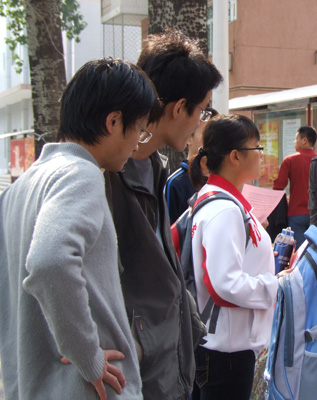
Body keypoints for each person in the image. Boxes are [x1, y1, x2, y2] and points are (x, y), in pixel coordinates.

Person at [0, 58, 157, 400]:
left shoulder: (18, 189)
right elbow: (49, 262)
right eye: (139, 129)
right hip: (82, 389)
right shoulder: (80, 173)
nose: (138, 144)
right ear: (113, 121)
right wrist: (89, 357)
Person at [103, 30, 223, 400]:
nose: (201, 123)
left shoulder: (155, 167)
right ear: (178, 108)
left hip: (164, 361)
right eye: (202, 111)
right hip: (130, 371)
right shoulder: (105, 173)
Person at [191, 115, 279, 399]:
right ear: (235, 156)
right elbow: (224, 284)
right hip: (226, 352)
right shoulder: (225, 209)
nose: (261, 155)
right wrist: (276, 286)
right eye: (257, 147)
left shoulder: (217, 199)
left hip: (224, 346)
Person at [166, 107, 217, 224]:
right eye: (207, 135)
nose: (213, 142)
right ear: (189, 138)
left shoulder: (223, 178)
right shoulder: (176, 183)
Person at [272, 126, 317, 244]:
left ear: (304, 140)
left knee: (298, 251)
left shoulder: (290, 160)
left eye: (296, 138)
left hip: (296, 213)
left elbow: (278, 186)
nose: (294, 142)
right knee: (316, 249)